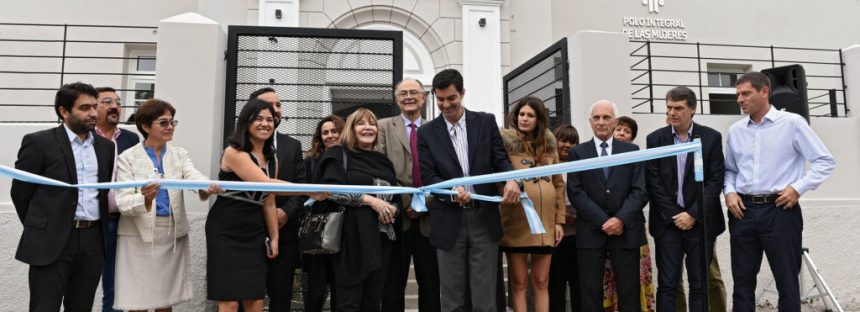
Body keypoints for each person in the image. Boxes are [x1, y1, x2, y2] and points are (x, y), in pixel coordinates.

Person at [725, 72, 835, 312]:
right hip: (742, 212)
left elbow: (825, 161)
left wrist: (798, 188)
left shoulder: (792, 123)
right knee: (742, 284)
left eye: (745, 93)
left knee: (787, 283)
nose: (740, 100)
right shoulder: (735, 131)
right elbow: (730, 170)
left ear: (764, 91)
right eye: (738, 95)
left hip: (780, 211)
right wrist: (730, 192)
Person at [417, 68, 521, 312]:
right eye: (440, 99)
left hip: (483, 217)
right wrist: (452, 191)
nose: (445, 105)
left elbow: (501, 160)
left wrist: (512, 181)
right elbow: (429, 176)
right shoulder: (426, 133)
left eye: (451, 98)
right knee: (452, 298)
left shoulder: (485, 122)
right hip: (448, 218)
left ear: (462, 93)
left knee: (485, 298)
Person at [206, 99, 323, 312]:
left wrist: (275, 238)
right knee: (230, 301)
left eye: (270, 119)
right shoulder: (234, 152)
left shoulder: (272, 158)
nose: (265, 124)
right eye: (258, 118)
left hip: (254, 231)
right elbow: (265, 183)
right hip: (225, 230)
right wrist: (308, 190)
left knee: (255, 299)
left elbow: (268, 201)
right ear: (246, 121)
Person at [11, 82, 115, 311]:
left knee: (81, 306)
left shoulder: (105, 147)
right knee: (44, 306)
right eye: (84, 107)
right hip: (52, 240)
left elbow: (102, 191)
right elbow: (21, 193)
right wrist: (42, 227)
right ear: (64, 111)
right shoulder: (39, 142)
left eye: (94, 106)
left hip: (92, 240)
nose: (93, 113)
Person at [113, 99, 223, 311]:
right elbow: (123, 202)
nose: (170, 127)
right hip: (136, 236)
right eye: (163, 122)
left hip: (171, 234)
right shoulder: (127, 158)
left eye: (173, 122)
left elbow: (193, 176)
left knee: (165, 300)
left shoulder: (179, 154)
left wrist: (207, 186)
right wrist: (144, 198)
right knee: (137, 300)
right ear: (145, 126)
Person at [644, 86, 725, 312]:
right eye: (669, 107)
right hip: (667, 223)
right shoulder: (656, 139)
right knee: (668, 283)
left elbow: (715, 180)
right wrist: (675, 215)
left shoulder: (710, 138)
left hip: (700, 223)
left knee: (700, 284)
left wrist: (692, 214)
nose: (672, 113)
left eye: (678, 108)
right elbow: (653, 181)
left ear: (692, 109)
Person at [567, 100, 647, 312]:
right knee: (590, 291)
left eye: (606, 117)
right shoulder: (578, 153)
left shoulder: (632, 150)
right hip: (591, 232)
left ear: (615, 121)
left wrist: (620, 219)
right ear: (590, 122)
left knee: (629, 291)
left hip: (625, 231)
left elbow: (640, 190)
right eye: (596, 118)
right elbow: (575, 192)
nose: (601, 122)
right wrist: (603, 221)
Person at [317, 108, 401, 311]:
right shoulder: (338, 154)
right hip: (351, 240)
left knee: (372, 303)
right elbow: (331, 192)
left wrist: (392, 209)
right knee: (348, 303)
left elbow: (396, 197)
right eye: (361, 123)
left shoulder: (384, 161)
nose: (368, 127)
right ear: (351, 130)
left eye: (372, 123)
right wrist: (372, 202)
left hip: (381, 240)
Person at [378, 78, 441, 312]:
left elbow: (444, 171)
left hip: (430, 218)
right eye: (403, 93)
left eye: (414, 92)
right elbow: (380, 169)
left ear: (424, 97)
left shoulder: (437, 129)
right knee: (392, 286)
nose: (408, 97)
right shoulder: (383, 126)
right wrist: (401, 203)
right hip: (395, 217)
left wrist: (424, 202)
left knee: (431, 285)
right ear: (396, 100)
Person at [499, 96, 566, 312]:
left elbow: (558, 184)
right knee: (518, 283)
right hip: (516, 222)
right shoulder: (505, 144)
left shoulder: (549, 145)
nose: (524, 119)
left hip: (546, 224)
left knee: (541, 281)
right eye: (521, 114)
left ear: (539, 119)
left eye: (530, 115)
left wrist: (559, 221)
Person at [250, 87, 306, 312]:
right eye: (269, 105)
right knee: (248, 296)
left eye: (279, 105)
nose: (275, 110)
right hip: (249, 232)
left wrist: (286, 212)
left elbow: (301, 187)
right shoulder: (238, 145)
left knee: (281, 296)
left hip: (285, 233)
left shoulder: (292, 145)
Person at [94, 86, 140, 312]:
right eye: (107, 101)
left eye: (118, 102)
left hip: (122, 220)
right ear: (94, 107)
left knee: (116, 288)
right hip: (92, 222)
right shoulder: (87, 136)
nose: (114, 106)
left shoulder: (131, 138)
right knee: (82, 283)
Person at [611, 115, 656, 312]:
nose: (621, 133)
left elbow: (642, 192)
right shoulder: (598, 156)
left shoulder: (637, 157)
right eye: (618, 129)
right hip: (603, 227)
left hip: (631, 226)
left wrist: (621, 217)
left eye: (626, 131)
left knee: (634, 278)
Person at [303, 115, 345, 312]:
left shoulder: (350, 158)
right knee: (315, 290)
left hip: (346, 230)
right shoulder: (311, 161)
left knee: (341, 288)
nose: (330, 136)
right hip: (317, 230)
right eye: (325, 132)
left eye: (334, 131)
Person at [548, 123, 582, 312]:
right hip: (555, 235)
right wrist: (561, 216)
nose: (567, 145)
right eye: (563, 140)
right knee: (556, 285)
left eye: (573, 141)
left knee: (579, 285)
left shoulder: (581, 165)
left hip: (579, 233)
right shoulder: (547, 165)